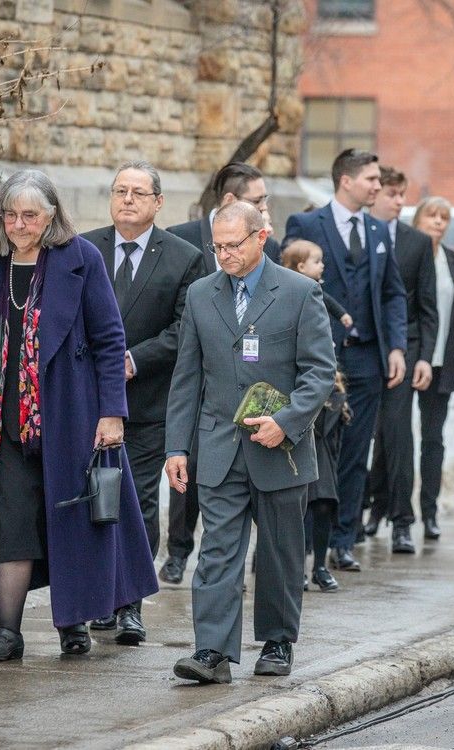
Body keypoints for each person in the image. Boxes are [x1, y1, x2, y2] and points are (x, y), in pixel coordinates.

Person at [0, 169, 158, 660]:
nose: (19, 225)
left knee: (72, 524)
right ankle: (9, 631)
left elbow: (111, 340)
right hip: (2, 424)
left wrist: (112, 412)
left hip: (69, 416)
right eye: (11, 215)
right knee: (13, 526)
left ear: (51, 216)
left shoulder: (81, 260)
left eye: (30, 215)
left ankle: (74, 621)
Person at [165, 201, 336, 684]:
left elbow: (319, 372)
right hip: (218, 446)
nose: (224, 255)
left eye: (233, 245)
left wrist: (287, 421)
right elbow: (187, 378)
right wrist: (177, 447)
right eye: (217, 246)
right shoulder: (201, 295)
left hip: (279, 447)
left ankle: (278, 642)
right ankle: (212, 651)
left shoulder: (300, 292)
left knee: (281, 549)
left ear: (261, 237)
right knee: (217, 548)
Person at [80, 161, 206, 643]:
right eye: (120, 191)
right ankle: (100, 601)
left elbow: (183, 329)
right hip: (88, 402)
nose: (127, 199)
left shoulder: (183, 256)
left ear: (158, 203)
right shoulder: (83, 248)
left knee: (135, 503)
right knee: (94, 501)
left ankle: (130, 602)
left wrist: (134, 359)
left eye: (138, 193)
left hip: (148, 404)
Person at [283, 149, 407, 573]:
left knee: (357, 451)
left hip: (369, 357)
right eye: (372, 179)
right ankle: (302, 540)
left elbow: (392, 292)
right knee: (316, 450)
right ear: (346, 181)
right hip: (320, 361)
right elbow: (290, 279)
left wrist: (395, 347)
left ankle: (344, 539)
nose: (378, 186)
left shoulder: (378, 230)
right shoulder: (306, 224)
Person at [160, 162, 279, 585]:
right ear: (230, 200)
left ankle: (240, 563)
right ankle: (177, 551)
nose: (266, 208)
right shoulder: (180, 238)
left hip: (248, 382)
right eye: (259, 199)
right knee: (189, 466)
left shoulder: (267, 245)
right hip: (197, 371)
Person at [363, 167, 438, 553]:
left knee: (397, 434)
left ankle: (402, 521)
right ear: (373, 194)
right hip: (361, 348)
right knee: (363, 435)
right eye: (391, 193)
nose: (399, 200)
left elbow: (428, 307)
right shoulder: (357, 234)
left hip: (403, 348)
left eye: (401, 193)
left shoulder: (416, 242)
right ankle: (366, 509)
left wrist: (424, 357)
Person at [282, 240, 352, 592]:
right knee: (290, 502)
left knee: (324, 498)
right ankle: (289, 565)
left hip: (321, 414)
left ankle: (320, 565)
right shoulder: (289, 297)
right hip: (287, 414)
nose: (322, 266)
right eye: (316, 261)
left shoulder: (316, 295)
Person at [409, 196, 454, 541]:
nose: (439, 222)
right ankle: (388, 511)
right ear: (418, 221)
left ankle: (430, 512)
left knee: (433, 440)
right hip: (408, 359)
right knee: (395, 438)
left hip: (442, 364)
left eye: (444, 217)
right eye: (432, 216)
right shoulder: (405, 254)